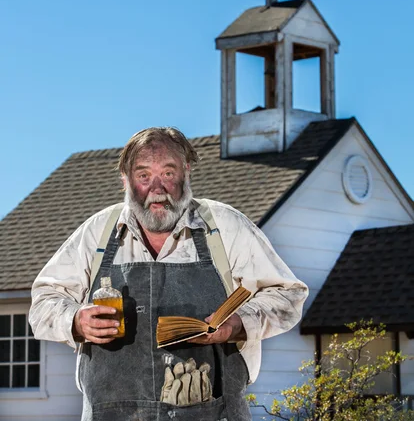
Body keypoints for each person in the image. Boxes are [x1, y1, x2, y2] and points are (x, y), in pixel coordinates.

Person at [30, 127, 308, 421]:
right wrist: (75, 321)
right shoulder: (97, 233)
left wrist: (240, 324)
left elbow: (288, 295)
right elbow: (42, 303)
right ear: (125, 179)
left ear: (186, 172)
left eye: (168, 173)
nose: (157, 188)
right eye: (144, 175)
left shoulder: (225, 227)